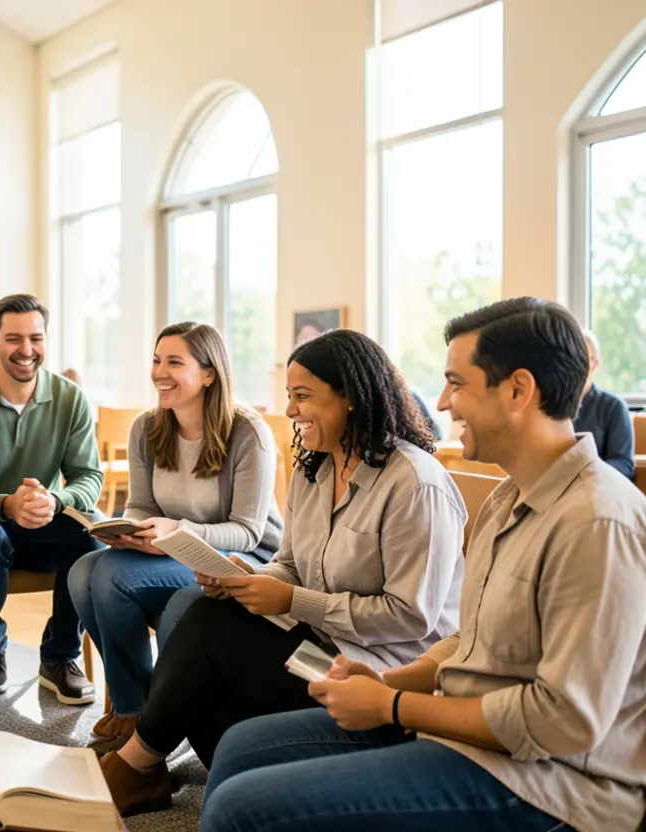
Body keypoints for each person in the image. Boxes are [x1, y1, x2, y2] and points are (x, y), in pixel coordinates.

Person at [200, 298, 646, 832]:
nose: (442, 402)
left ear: (518, 391)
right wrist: (390, 681)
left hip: (549, 785)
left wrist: (391, 705)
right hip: (460, 731)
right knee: (240, 748)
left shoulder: (598, 522)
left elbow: (562, 723)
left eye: (457, 384)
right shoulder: (508, 498)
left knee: (240, 808)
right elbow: (471, 641)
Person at [100, 329, 466, 817]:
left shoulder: (415, 485)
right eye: (289, 396)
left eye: (302, 396)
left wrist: (290, 600)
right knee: (203, 636)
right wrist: (247, 578)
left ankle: (136, 767)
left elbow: (410, 617)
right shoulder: (315, 470)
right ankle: (203, 774)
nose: (290, 410)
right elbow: (291, 564)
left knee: (208, 631)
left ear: (351, 398)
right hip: (319, 649)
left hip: (371, 674)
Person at [68, 322, 283, 755]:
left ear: (209, 374)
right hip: (171, 551)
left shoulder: (248, 432)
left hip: (241, 558)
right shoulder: (147, 428)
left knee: (110, 576)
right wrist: (130, 530)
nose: (159, 372)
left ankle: (144, 716)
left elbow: (248, 531)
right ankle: (141, 707)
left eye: (174, 362)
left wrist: (177, 531)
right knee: (82, 572)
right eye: (156, 360)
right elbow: (141, 506)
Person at [0, 294, 105, 703]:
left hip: (43, 524)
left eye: (35, 338)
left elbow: (89, 477)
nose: (26, 350)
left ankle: (60, 656)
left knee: (94, 534)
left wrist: (55, 501)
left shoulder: (70, 398)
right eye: (13, 339)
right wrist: (6, 505)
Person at [572, 328, 633, 479]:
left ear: (594, 365)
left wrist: (585, 472)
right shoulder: (550, 404)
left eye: (581, 357)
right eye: (570, 356)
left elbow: (623, 463)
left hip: (596, 485)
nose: (574, 363)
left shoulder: (614, 406)